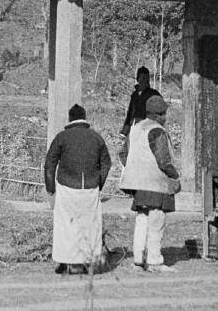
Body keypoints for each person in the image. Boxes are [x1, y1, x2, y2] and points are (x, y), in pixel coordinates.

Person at [43, 103, 113, 276]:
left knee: (65, 225)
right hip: (90, 188)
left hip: (67, 188)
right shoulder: (96, 138)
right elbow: (106, 163)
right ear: (84, 118)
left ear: (70, 119)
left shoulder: (62, 137)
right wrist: (98, 182)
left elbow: (50, 163)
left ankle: (66, 262)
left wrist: (50, 187)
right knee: (90, 225)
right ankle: (87, 263)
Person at [119, 94, 180, 273]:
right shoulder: (157, 130)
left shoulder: (136, 128)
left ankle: (138, 260)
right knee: (156, 222)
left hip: (139, 186)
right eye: (165, 114)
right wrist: (175, 177)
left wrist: (135, 171)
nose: (166, 118)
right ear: (160, 114)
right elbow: (163, 161)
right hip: (156, 185)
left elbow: (123, 154)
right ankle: (154, 262)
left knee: (141, 221)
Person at [120, 66, 162, 136]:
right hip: (134, 130)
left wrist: (143, 121)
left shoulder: (154, 94)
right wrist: (126, 126)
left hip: (148, 131)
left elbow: (160, 115)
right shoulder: (134, 95)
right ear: (138, 79)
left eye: (147, 79)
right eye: (143, 78)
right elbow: (130, 113)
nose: (145, 81)